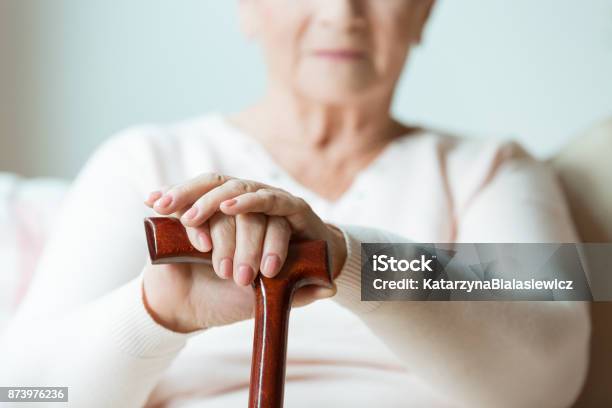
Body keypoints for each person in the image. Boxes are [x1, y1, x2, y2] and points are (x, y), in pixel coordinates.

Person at [0, 1, 590, 407]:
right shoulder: (144, 161)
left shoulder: (494, 167)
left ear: (425, 10)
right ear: (247, 7)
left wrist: (346, 261)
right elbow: (24, 394)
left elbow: (552, 376)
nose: (342, 14)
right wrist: (158, 310)